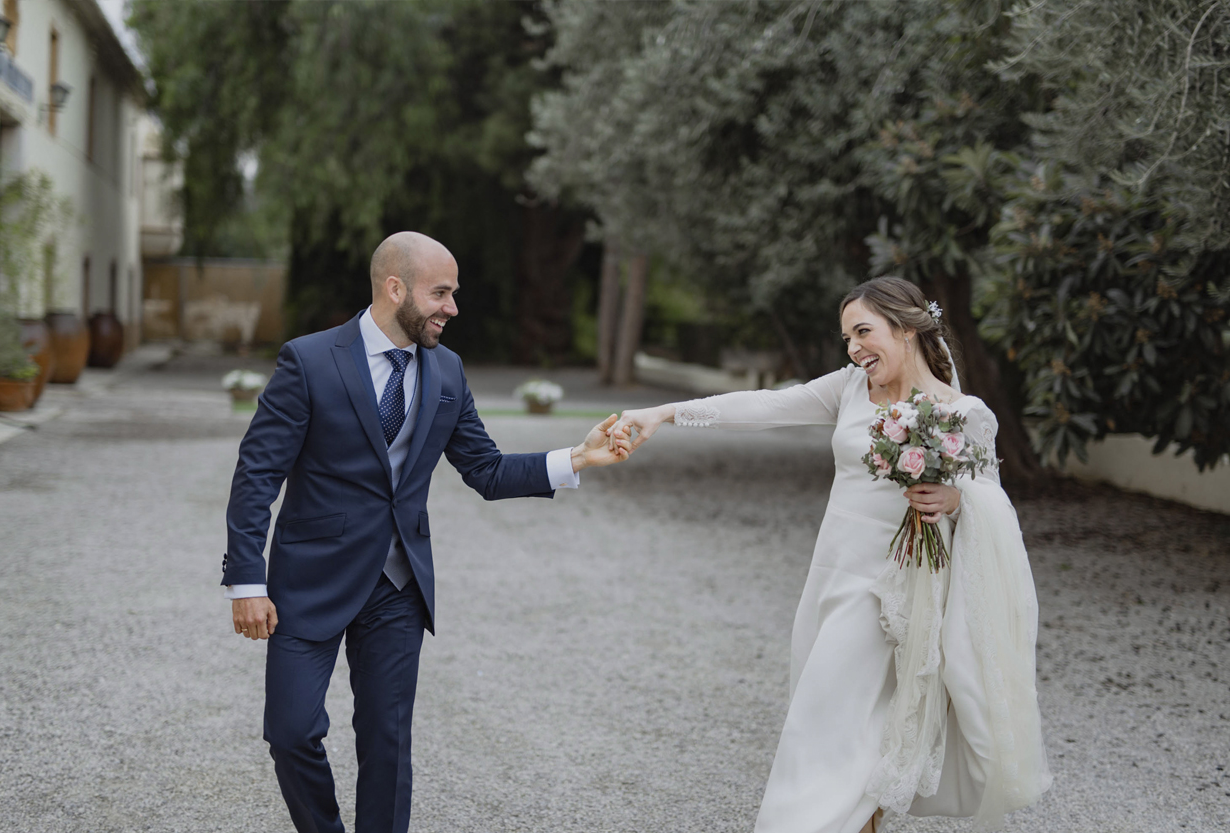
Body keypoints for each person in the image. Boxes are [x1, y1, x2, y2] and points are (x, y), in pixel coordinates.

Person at [222, 231, 631, 833]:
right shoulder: (308, 361)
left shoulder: (446, 372)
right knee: (291, 732)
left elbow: (486, 471)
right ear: (396, 289)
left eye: (454, 293)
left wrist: (578, 457)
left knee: (387, 744)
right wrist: (246, 581)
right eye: (441, 293)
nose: (453, 308)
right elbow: (258, 473)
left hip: (397, 587)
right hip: (308, 582)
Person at [612, 277, 1051, 833]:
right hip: (831, 574)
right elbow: (766, 406)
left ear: (908, 329)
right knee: (844, 725)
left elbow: (992, 504)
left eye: (863, 332)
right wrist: (666, 413)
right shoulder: (848, 388)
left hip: (895, 589)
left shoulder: (964, 413)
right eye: (847, 337)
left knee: (820, 724)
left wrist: (956, 497)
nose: (853, 348)